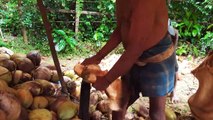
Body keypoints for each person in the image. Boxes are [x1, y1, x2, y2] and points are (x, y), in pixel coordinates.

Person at [81, 0, 176, 120]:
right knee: (119, 105)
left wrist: (106, 80)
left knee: (156, 113)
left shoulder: (144, 4)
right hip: (132, 55)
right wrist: (98, 57)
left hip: (157, 57)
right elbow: (121, 28)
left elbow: (135, 50)